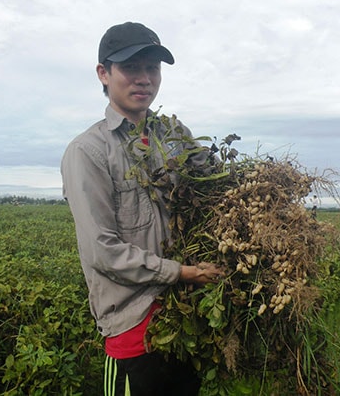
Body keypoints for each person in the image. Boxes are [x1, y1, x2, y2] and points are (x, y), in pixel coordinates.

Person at [61, 22, 224, 396]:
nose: (144, 79)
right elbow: (103, 250)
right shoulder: (87, 151)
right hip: (134, 331)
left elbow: (216, 186)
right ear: (104, 73)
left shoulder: (174, 135)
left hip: (188, 319)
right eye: (131, 68)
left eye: (152, 68)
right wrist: (181, 272)